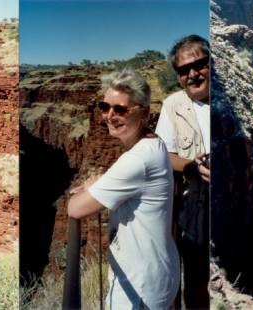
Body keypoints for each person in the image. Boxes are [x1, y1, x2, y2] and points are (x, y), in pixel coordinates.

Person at [68, 68, 180, 309]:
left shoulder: (137, 159)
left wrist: (92, 186)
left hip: (139, 286)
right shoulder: (154, 143)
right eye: (104, 107)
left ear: (145, 113)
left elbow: (75, 208)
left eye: (120, 109)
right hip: (157, 273)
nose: (109, 116)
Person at [155, 34, 211, 309]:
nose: (192, 74)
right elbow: (165, 154)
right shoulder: (173, 106)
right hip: (194, 212)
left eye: (200, 64)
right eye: (183, 70)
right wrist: (192, 167)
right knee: (197, 280)